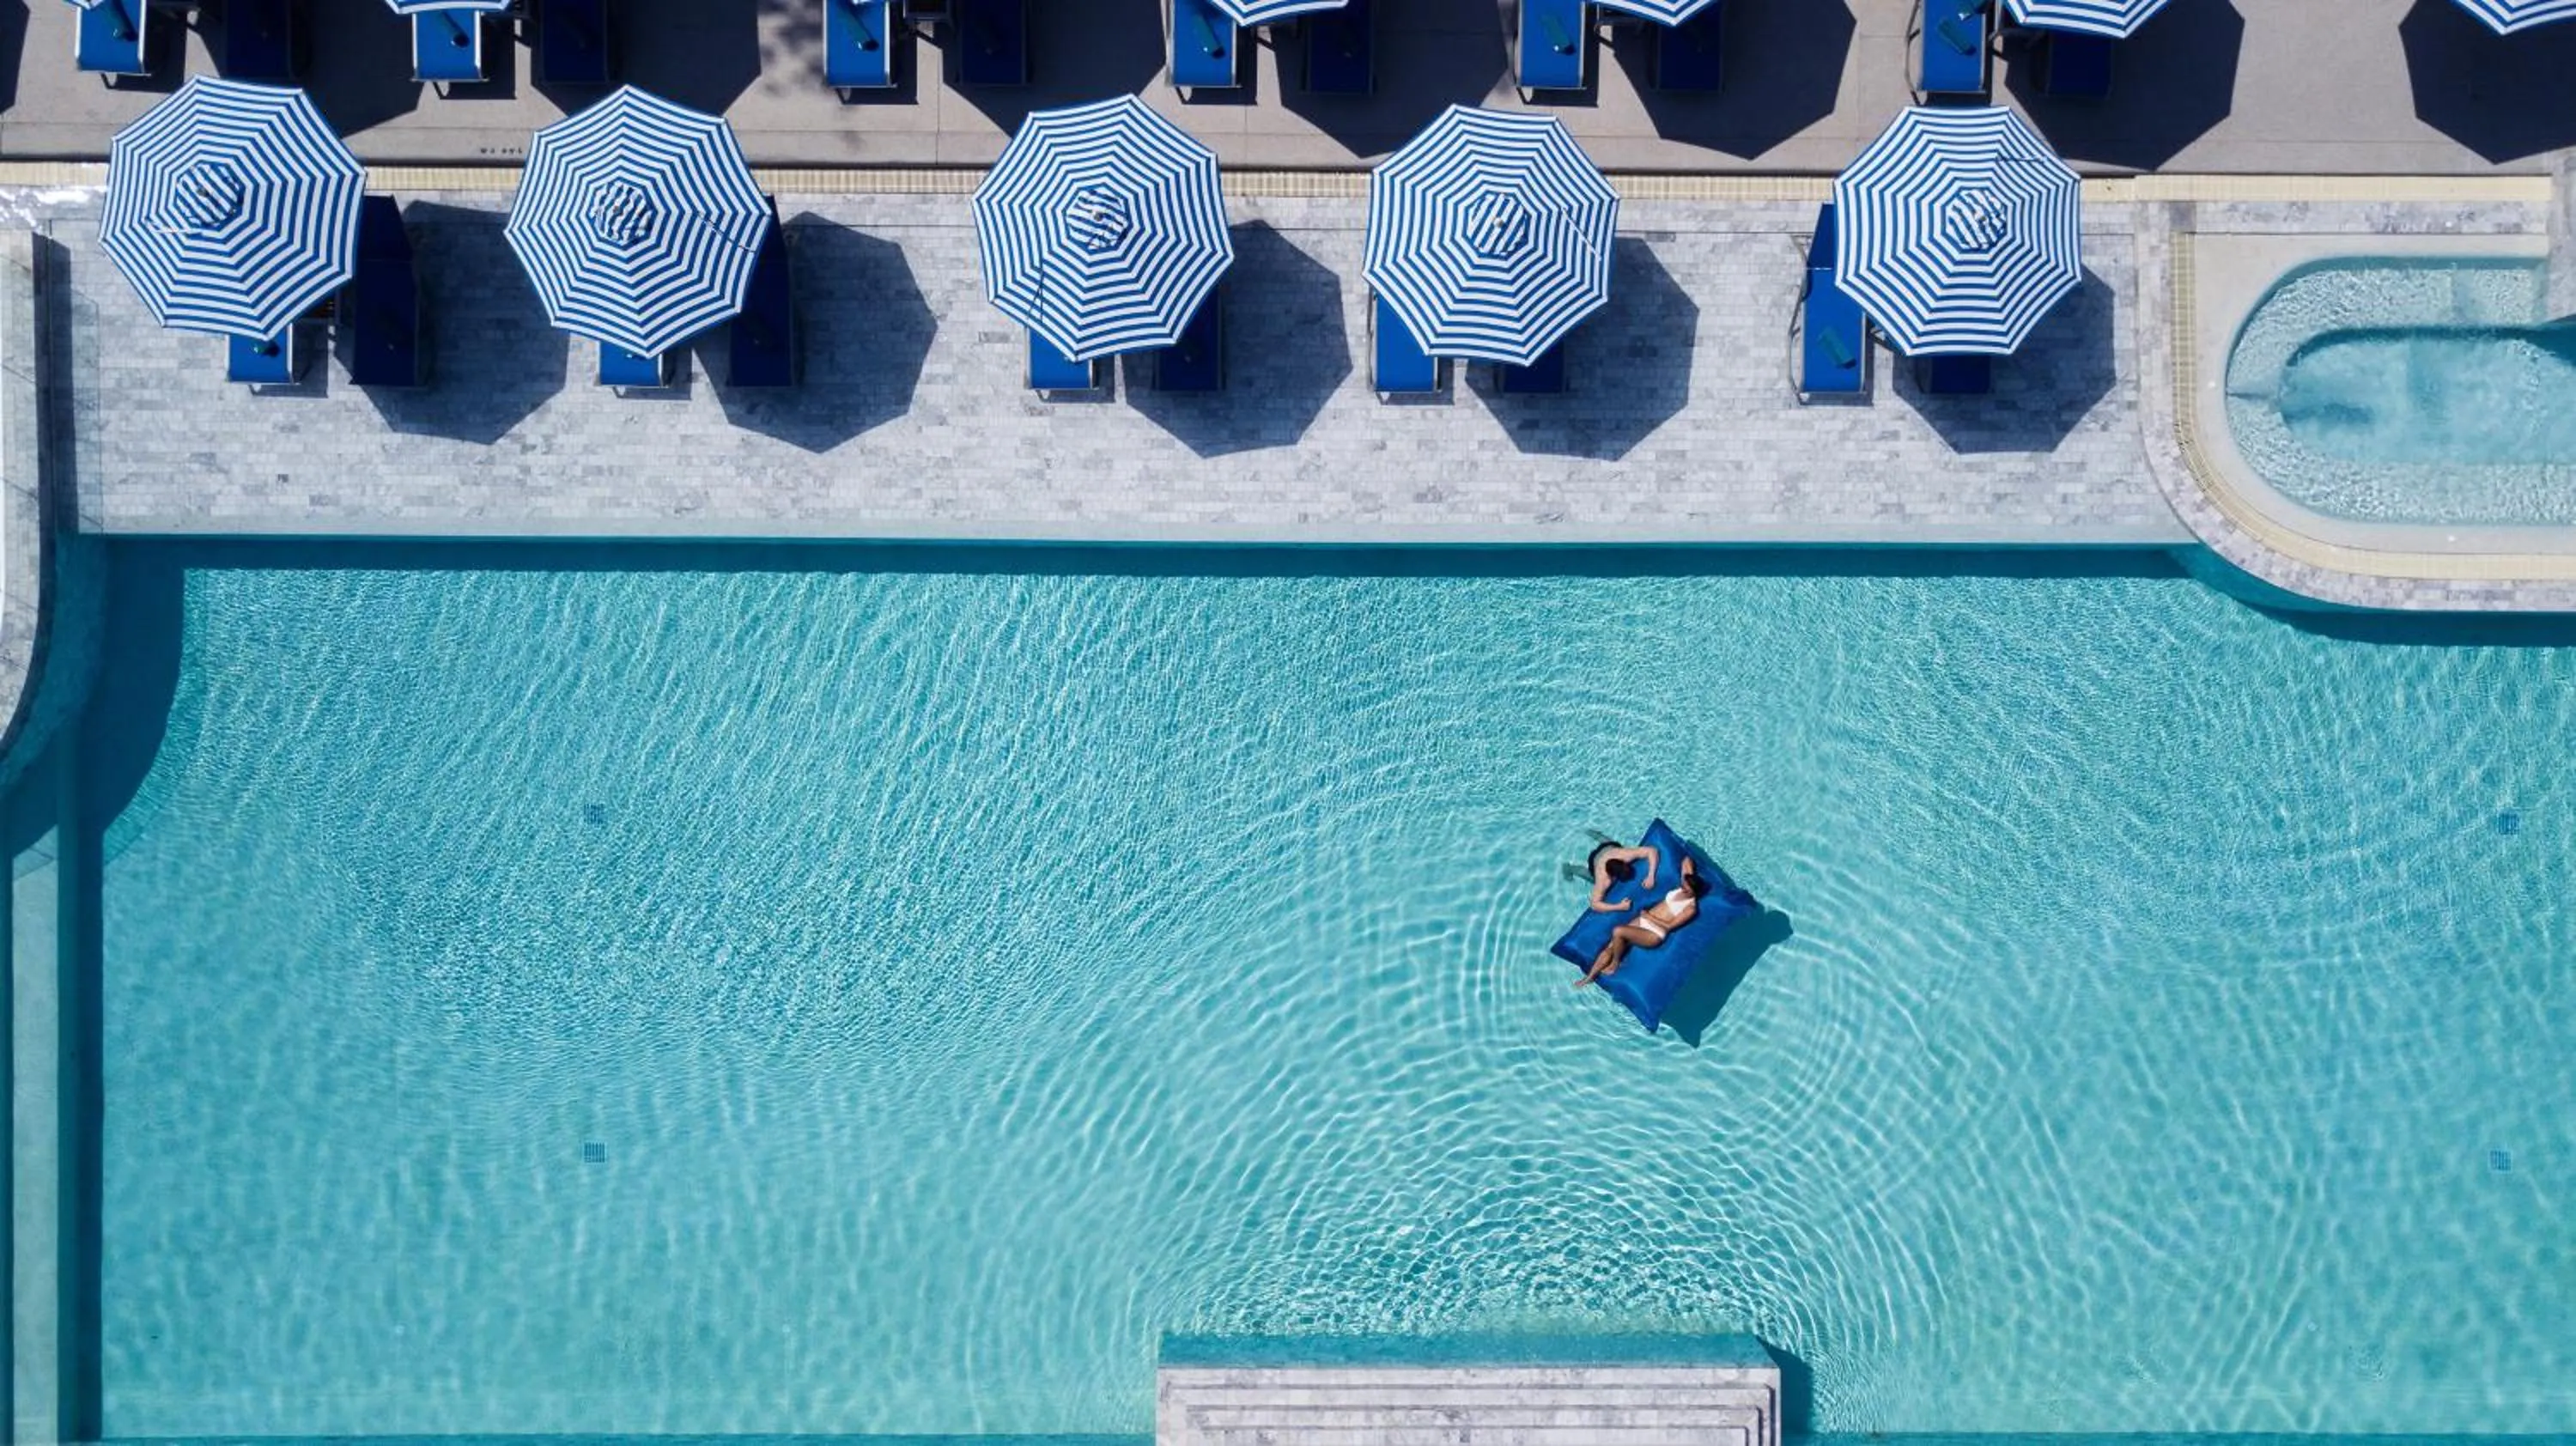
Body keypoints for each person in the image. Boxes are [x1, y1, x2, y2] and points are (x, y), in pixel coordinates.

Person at [1575, 855, 1711, 989]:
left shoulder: (1690, 908)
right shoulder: (1686, 882)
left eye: (1686, 890)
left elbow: (1669, 927)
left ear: (1694, 893)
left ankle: (1615, 963)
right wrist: (1692, 876)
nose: (1682, 888)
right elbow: (1686, 859)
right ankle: (1589, 977)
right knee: (1611, 946)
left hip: (1655, 933)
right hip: (1643, 920)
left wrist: (1649, 916)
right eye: (1683, 885)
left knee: (1618, 931)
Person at [1586, 841, 1660, 913]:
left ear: (1624, 862)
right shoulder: (1604, 880)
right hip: (1595, 860)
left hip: (1608, 847)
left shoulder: (1625, 856)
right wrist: (1619, 907)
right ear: (1613, 877)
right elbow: (1594, 904)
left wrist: (1651, 876)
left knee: (1610, 844)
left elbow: (1652, 850)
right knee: (1591, 879)